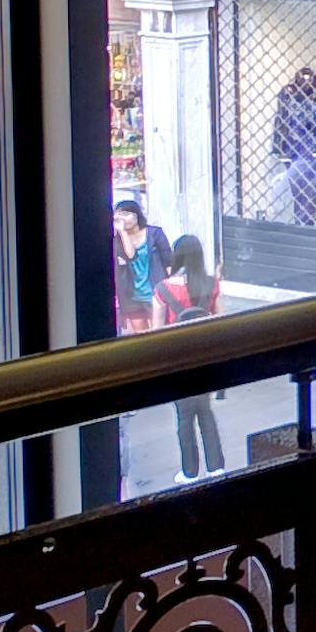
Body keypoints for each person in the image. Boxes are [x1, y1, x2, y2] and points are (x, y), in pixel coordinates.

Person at [156, 233, 228, 480]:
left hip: (179, 359)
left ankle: (189, 471)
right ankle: (216, 466)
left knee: (185, 416)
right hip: (206, 356)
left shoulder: (163, 289)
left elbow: (158, 334)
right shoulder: (212, 284)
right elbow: (221, 321)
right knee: (205, 410)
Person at [273, 67, 316, 223]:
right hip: (292, 148)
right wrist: (277, 146)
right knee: (295, 188)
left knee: (310, 188)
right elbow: (281, 118)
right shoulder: (287, 94)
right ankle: (299, 221)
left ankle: (306, 221)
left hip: (312, 149)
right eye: (303, 79)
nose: (306, 82)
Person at [110, 198, 167, 335]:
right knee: (142, 336)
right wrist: (122, 232)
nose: (124, 219)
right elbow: (130, 255)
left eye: (127, 214)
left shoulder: (155, 233)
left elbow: (168, 261)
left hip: (155, 293)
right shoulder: (118, 241)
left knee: (159, 334)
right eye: (119, 215)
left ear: (137, 214)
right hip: (131, 297)